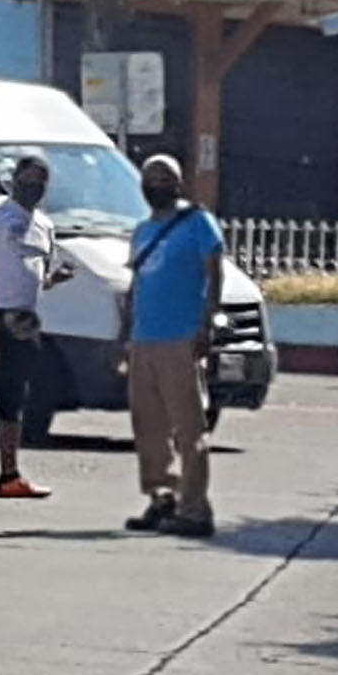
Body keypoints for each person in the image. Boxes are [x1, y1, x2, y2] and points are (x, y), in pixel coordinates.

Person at [123, 154, 223, 538]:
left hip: (181, 337)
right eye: (150, 178)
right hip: (144, 339)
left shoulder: (198, 222)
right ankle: (162, 496)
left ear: (178, 183)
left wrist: (207, 325)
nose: (156, 184)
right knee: (149, 426)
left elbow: (214, 274)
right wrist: (126, 334)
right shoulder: (143, 230)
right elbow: (136, 284)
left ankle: (195, 509)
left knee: (188, 426)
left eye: (164, 178)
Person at [0, 155, 75, 500]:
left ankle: (9, 474)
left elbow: (35, 275)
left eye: (39, 183)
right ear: (14, 179)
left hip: (24, 319)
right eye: (27, 180)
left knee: (13, 400)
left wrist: (53, 280)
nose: (31, 189)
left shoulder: (45, 226)